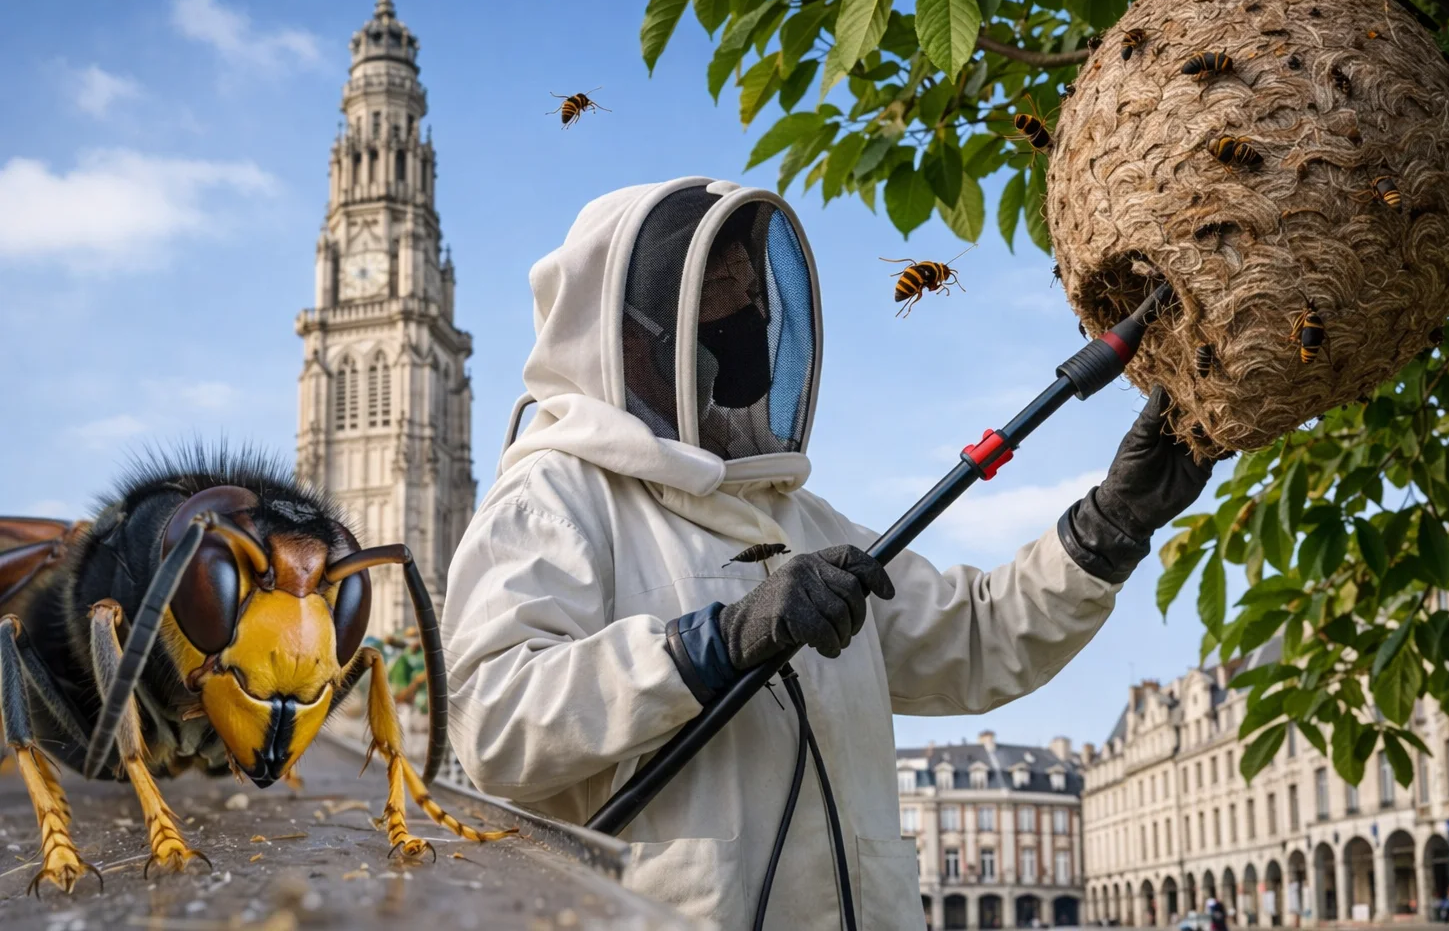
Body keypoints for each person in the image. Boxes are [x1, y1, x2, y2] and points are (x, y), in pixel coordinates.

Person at [442, 178, 1214, 929]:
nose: (751, 313)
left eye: (754, 290)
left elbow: (977, 637)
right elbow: (496, 722)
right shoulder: (555, 498)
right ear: (635, 329)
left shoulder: (798, 519)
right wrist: (714, 643)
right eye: (725, 288)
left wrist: (1113, 522)